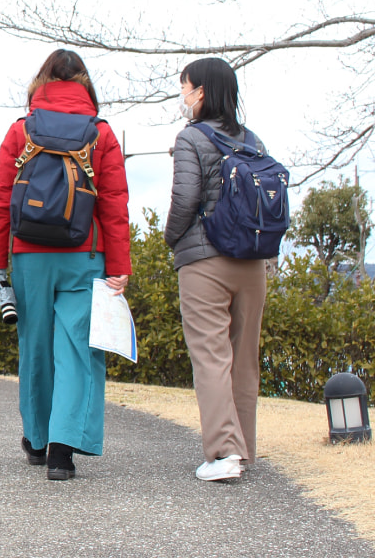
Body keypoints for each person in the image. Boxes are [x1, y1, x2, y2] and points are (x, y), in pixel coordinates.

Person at [0, 50, 131, 480]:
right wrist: (119, 265)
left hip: (29, 255)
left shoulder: (21, 130)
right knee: (78, 349)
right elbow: (114, 205)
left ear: (41, 81)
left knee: (35, 346)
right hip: (85, 255)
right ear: (84, 84)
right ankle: (62, 452)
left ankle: (36, 439)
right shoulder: (101, 134)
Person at [164, 57, 268, 482]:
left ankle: (224, 454)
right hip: (253, 262)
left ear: (201, 92)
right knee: (244, 360)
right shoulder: (254, 141)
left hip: (205, 261)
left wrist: (172, 239)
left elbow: (185, 199)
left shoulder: (191, 137)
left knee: (210, 355)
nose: (183, 96)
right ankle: (243, 450)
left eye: (185, 88)